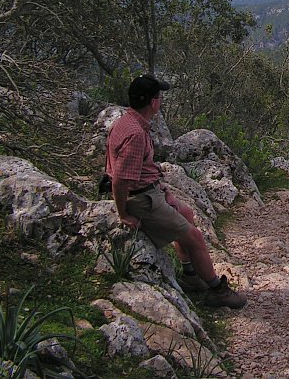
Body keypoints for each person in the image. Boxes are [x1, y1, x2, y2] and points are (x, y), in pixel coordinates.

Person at [105, 73, 246, 309]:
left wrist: (161, 190)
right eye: (159, 97)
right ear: (153, 102)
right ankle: (216, 290)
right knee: (196, 237)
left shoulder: (128, 122)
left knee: (187, 214)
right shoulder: (136, 134)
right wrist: (122, 214)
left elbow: (139, 170)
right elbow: (120, 180)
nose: (160, 101)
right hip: (142, 200)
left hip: (150, 191)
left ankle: (191, 276)